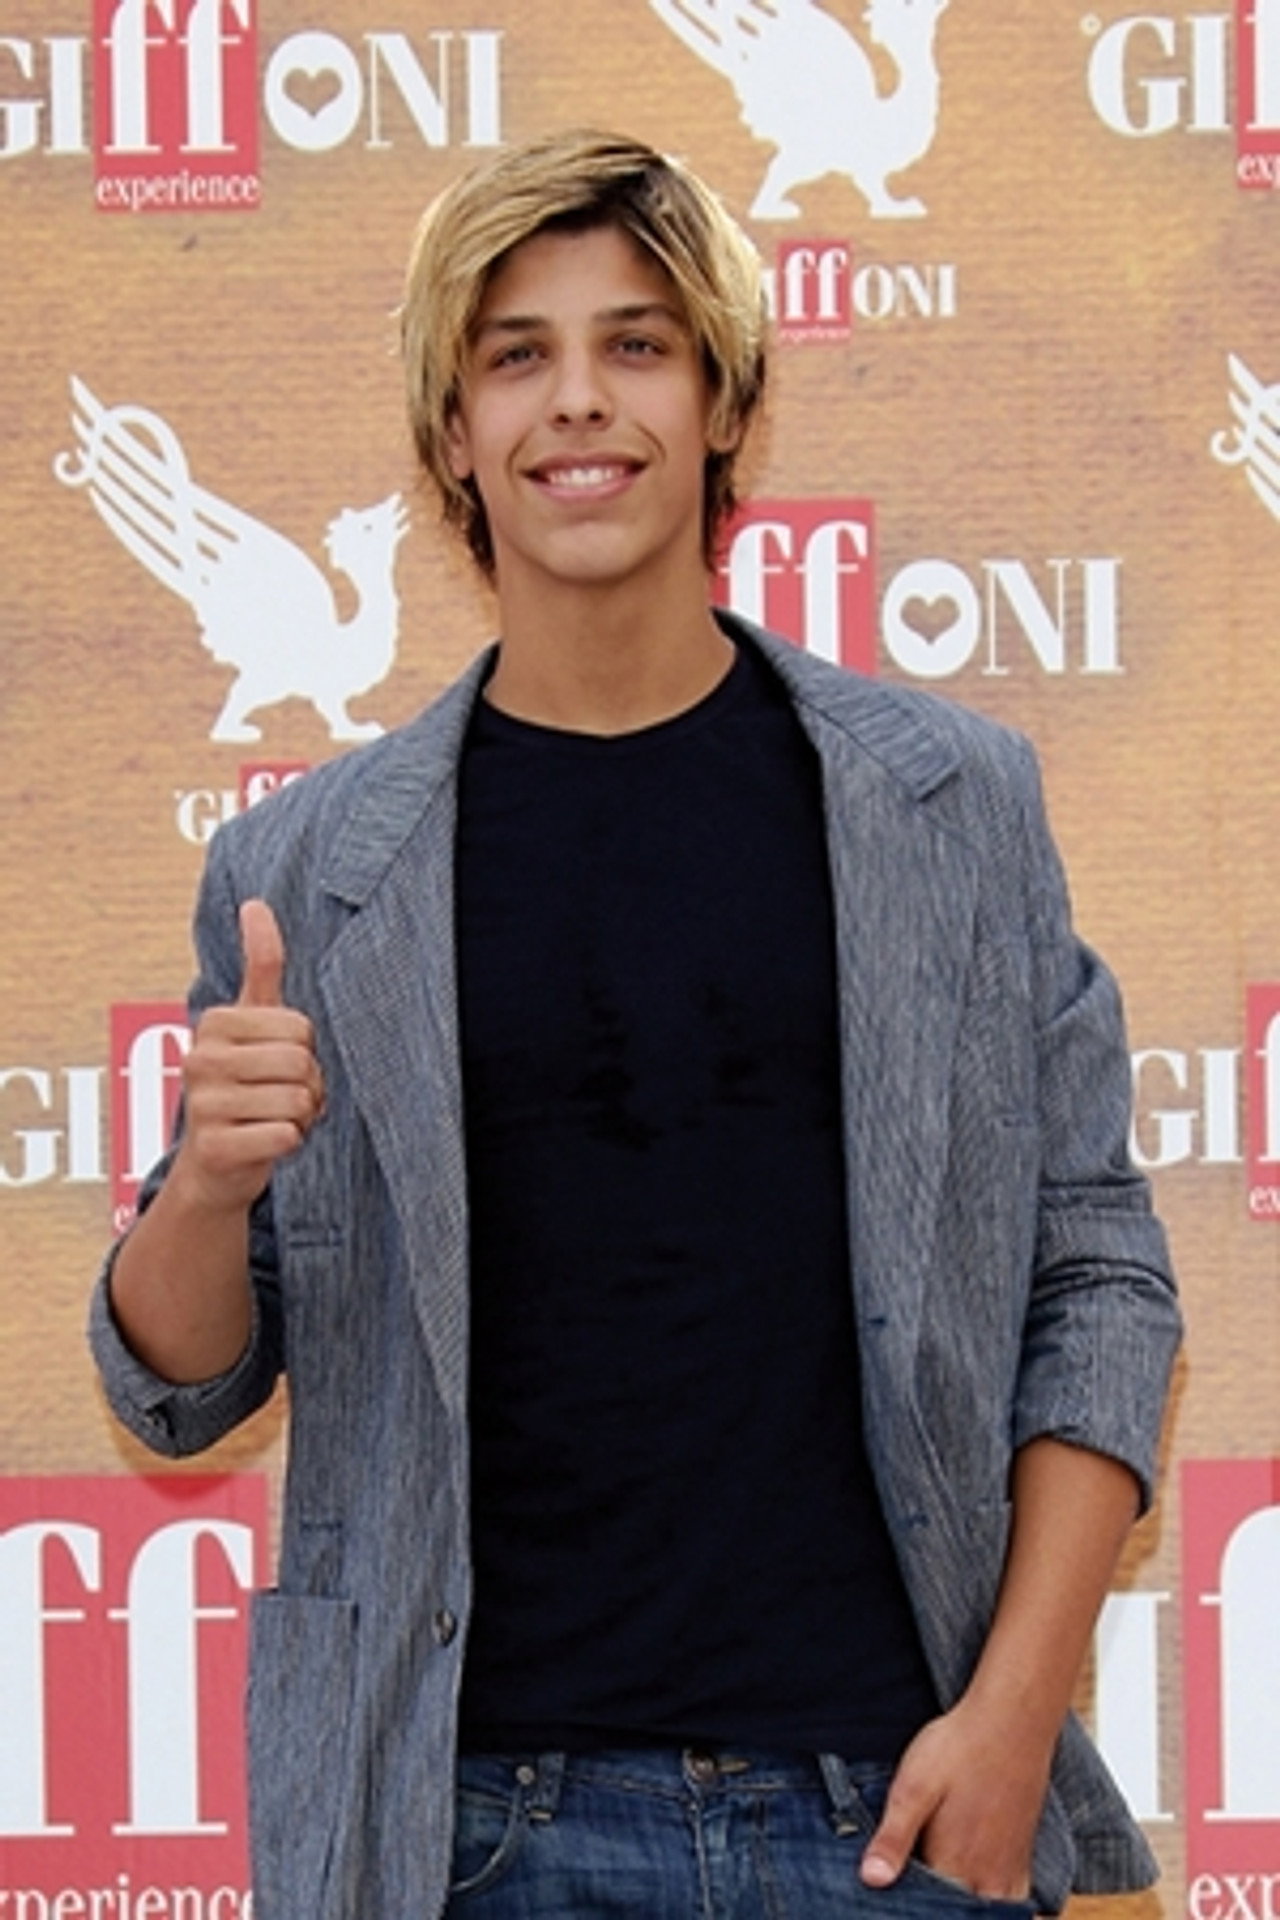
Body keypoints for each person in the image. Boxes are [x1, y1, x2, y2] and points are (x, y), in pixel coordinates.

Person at [90, 129, 1182, 1920]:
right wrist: (207, 1188)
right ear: (454, 431)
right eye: (517, 354)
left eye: (639, 344)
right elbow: (183, 1379)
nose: (578, 401)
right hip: (467, 1832)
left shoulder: (950, 807)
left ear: (724, 401)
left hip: (889, 1811)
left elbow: (1101, 1280)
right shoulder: (308, 870)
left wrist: (1012, 1722)